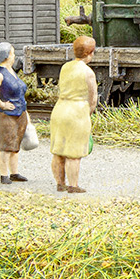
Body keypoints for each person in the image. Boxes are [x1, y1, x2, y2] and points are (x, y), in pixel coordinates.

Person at [50, 35, 98, 193]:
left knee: (58, 150)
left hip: (59, 109)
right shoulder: (88, 72)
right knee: (73, 153)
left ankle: (59, 183)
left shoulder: (65, 67)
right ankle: (73, 185)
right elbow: (93, 99)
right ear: (89, 53)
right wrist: (88, 113)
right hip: (76, 111)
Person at [0, 42, 31, 185]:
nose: (14, 56)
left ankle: (14, 173)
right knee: (6, 146)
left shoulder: (11, 71)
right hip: (7, 116)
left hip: (20, 114)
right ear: (6, 56)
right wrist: (2, 104)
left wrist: (26, 115)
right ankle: (4, 175)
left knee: (15, 146)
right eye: (12, 53)